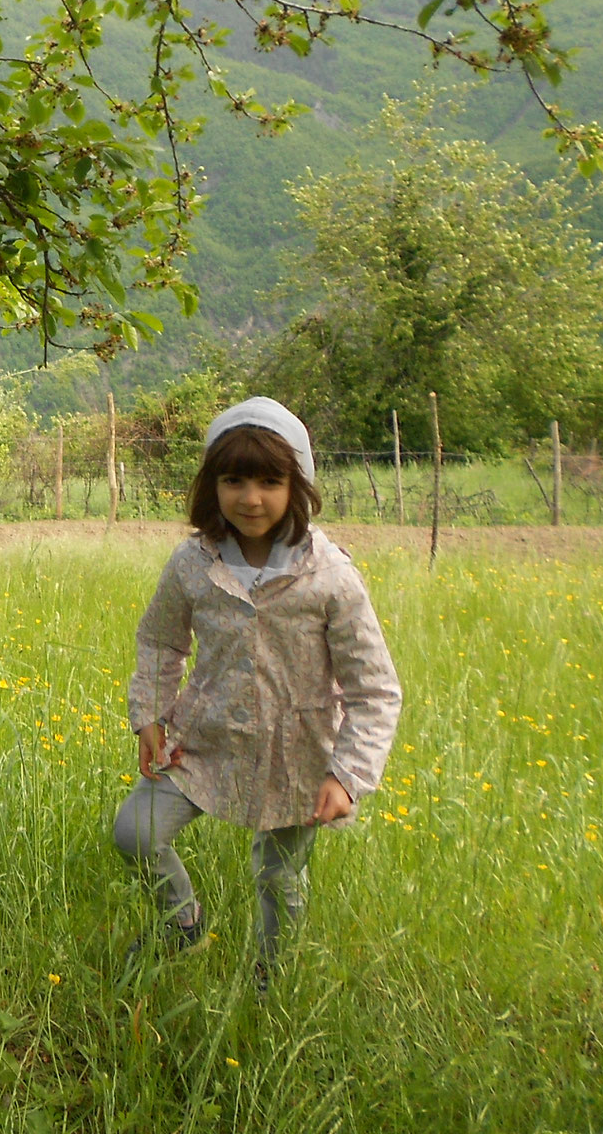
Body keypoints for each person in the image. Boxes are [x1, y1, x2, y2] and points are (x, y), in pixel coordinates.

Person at [113, 396, 401, 981]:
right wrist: (150, 715)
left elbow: (374, 690)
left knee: (279, 876)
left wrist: (348, 775)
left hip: (296, 753)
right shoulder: (193, 563)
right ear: (211, 486)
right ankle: (181, 922)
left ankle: (272, 978)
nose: (251, 498)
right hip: (204, 740)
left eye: (270, 481)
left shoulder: (330, 575)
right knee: (134, 832)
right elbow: (160, 641)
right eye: (234, 479)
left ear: (298, 485)